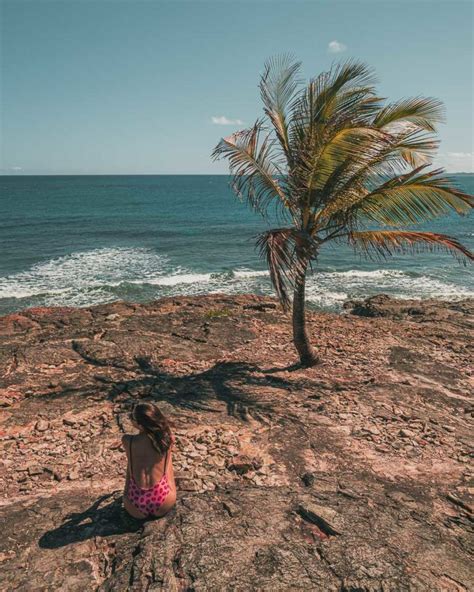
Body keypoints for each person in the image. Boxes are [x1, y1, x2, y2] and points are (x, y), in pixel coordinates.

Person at [122, 403, 176, 519]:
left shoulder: (128, 441)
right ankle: (167, 490)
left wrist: (125, 495)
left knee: (131, 460)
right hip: (163, 501)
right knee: (167, 457)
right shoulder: (168, 439)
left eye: (133, 418)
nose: (131, 420)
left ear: (140, 425)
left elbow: (130, 468)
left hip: (135, 505)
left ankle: (131, 497)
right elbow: (167, 469)